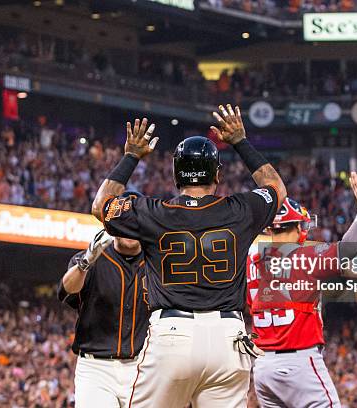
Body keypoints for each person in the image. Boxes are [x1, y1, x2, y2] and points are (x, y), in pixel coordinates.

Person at [90, 104, 286, 408]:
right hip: (228, 337)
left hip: (172, 334)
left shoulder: (154, 213)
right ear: (218, 174)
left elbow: (101, 204)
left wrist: (131, 156)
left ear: (175, 175)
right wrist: (240, 141)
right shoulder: (240, 210)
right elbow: (275, 188)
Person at [247, 172, 357, 408]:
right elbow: (350, 248)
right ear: (296, 226)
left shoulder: (251, 261)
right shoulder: (305, 256)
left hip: (263, 368)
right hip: (298, 362)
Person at [58, 199, 149, 408]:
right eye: (124, 224)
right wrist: (86, 261)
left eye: (135, 224)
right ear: (112, 227)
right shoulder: (92, 258)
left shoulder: (156, 263)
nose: (130, 230)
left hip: (141, 367)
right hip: (96, 368)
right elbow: (66, 290)